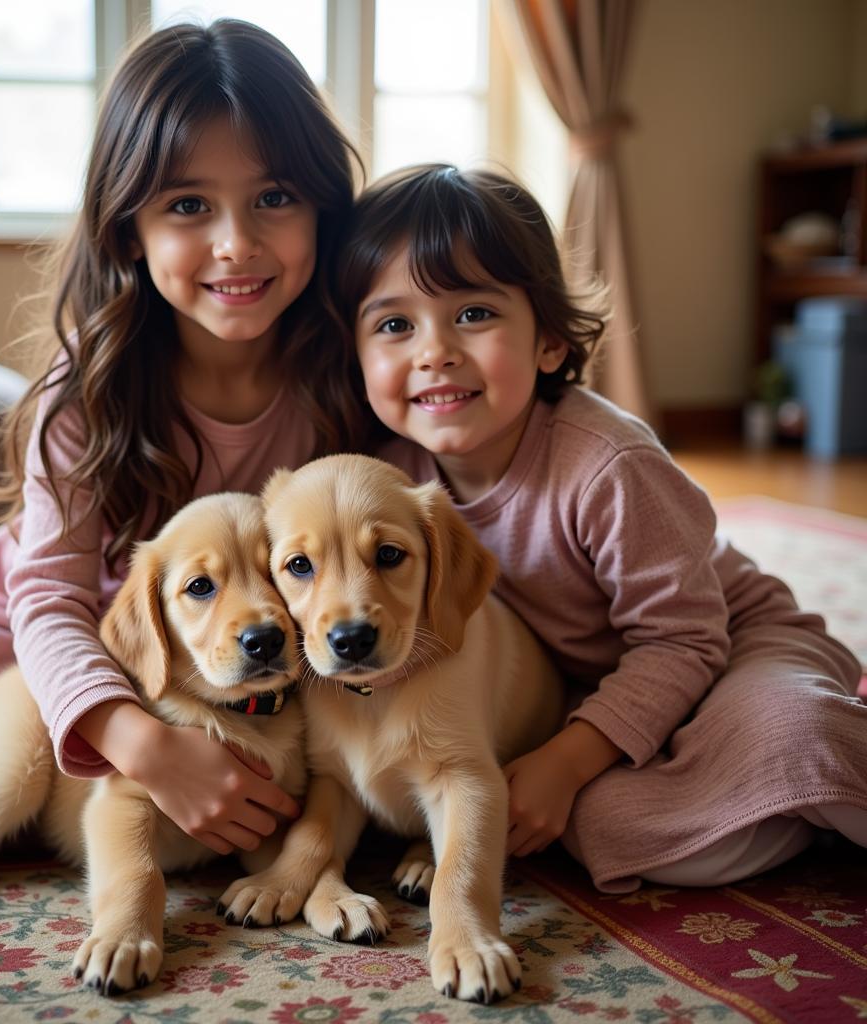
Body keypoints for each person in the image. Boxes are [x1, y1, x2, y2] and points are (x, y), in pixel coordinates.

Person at [0, 20, 363, 852]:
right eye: (190, 206)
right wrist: (145, 749)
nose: (237, 243)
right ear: (128, 229)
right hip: (29, 622)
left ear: (322, 208)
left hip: (235, 658)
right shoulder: (88, 389)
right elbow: (46, 598)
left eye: (274, 197)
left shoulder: (345, 372)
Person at [331, 163, 867, 893]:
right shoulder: (385, 482)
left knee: (794, 733)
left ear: (549, 342)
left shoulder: (608, 463)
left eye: (474, 314)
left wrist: (567, 760)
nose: (435, 351)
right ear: (357, 355)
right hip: (596, 694)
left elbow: (686, 638)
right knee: (600, 826)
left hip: (733, 650)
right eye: (395, 325)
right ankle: (773, 806)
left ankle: (814, 772)